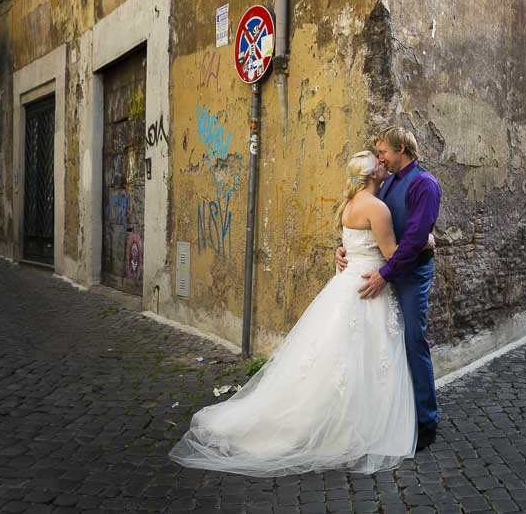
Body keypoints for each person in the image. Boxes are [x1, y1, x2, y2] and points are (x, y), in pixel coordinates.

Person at [168, 151, 416, 477]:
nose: (384, 166)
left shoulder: (350, 205)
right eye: (380, 164)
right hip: (368, 287)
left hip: (345, 285)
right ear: (371, 175)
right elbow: (391, 255)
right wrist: (422, 241)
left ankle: (337, 421)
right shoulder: (378, 208)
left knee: (338, 359)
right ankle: (351, 428)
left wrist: (340, 254)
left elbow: (351, 246)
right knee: (364, 358)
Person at [337, 126, 441, 452]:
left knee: (413, 339)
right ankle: (388, 410)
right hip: (384, 269)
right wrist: (345, 251)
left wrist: (384, 274)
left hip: (409, 273)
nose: (380, 157)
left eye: (383, 151)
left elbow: (412, 242)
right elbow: (368, 225)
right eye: (378, 153)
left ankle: (426, 420)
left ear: (401, 149)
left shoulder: (424, 184)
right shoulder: (389, 182)